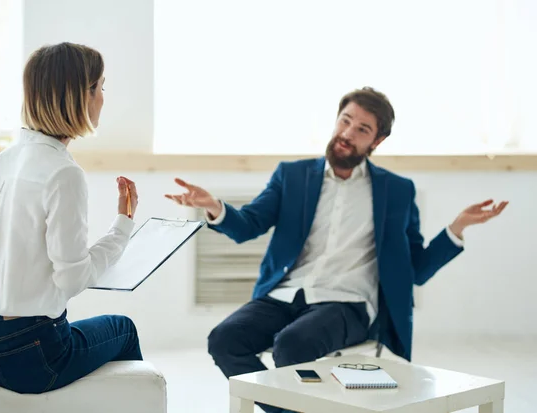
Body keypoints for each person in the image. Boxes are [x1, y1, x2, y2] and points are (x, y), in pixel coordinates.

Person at [165, 87, 508, 413]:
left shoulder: (398, 191)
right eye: (345, 120)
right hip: (286, 294)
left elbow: (415, 269)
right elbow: (249, 224)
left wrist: (456, 229)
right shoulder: (293, 175)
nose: (347, 132)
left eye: (362, 129)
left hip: (347, 303)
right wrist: (214, 207)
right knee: (224, 339)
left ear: (378, 140)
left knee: (292, 344)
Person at [0, 42, 142, 394]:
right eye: (101, 87)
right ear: (80, 96)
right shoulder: (64, 173)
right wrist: (123, 226)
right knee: (124, 329)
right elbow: (72, 278)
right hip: (26, 354)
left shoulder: (7, 158)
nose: (103, 97)